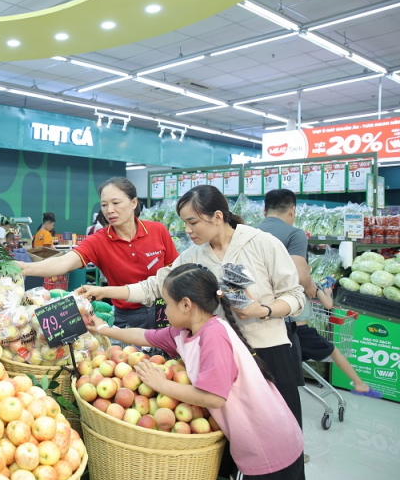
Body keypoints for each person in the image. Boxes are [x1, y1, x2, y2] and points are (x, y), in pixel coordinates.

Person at [77, 185, 306, 431]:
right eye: (184, 222)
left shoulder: (261, 243)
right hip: (220, 358)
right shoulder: (193, 255)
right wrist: (103, 291)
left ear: (218, 217)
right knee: (235, 436)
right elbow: (155, 285)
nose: (187, 230)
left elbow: (295, 296)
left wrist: (263, 310)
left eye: (192, 222)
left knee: (279, 431)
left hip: (268, 352)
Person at [87, 264, 305, 480]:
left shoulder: (213, 335)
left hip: (266, 447)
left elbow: (214, 398)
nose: (165, 311)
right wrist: (104, 329)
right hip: (268, 441)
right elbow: (143, 336)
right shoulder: (185, 333)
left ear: (186, 305)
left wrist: (162, 384)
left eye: (167, 304)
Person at [258, 189, 381, 399]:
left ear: (263, 210)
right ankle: (359, 384)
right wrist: (311, 287)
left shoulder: (248, 233)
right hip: (290, 320)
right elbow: (298, 274)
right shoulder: (294, 234)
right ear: (292, 210)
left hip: (261, 316)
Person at [18, 177, 178, 330]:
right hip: (129, 317)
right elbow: (63, 262)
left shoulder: (158, 230)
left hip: (165, 311)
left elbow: (176, 272)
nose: (109, 210)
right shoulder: (98, 241)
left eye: (116, 203)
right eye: (104, 205)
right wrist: (26, 268)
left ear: (134, 203)